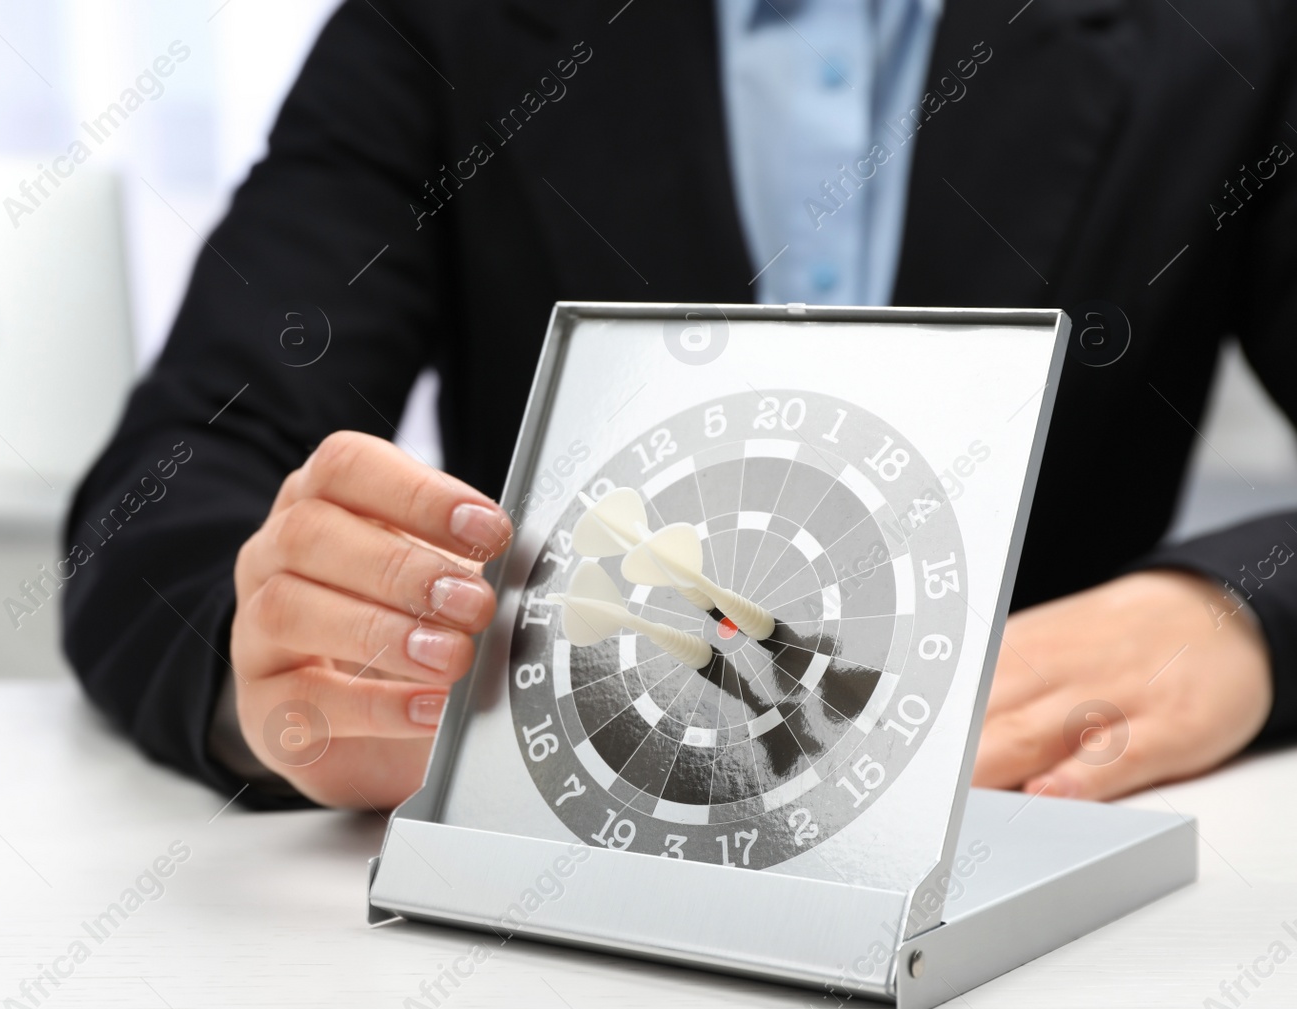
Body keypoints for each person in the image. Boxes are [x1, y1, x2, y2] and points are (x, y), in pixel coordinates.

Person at [62, 0, 1292, 812]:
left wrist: (1234, 617)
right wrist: (281, 662)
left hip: (1040, 857)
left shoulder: (1237, 29)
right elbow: (171, 482)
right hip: (555, 877)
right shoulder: (437, 21)